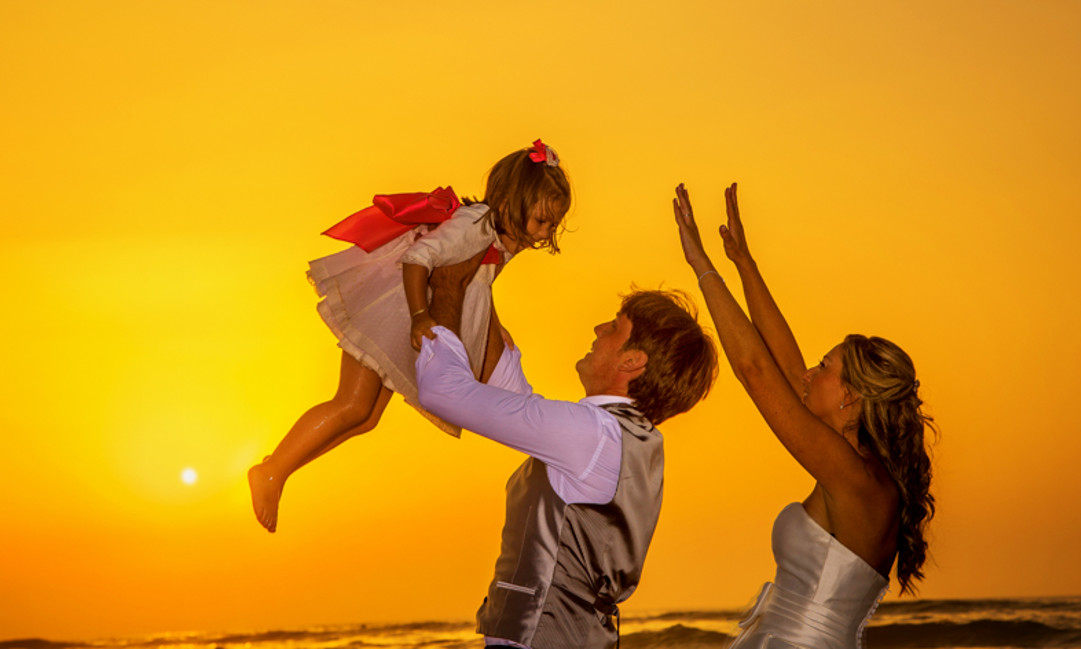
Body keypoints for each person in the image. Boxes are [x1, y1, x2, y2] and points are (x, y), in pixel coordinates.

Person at [248, 140, 571, 533]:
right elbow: (418, 258)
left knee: (366, 417)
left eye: (552, 225)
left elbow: (477, 283)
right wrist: (419, 315)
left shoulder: (502, 237)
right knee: (351, 404)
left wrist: (493, 323)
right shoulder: (476, 224)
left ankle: (279, 468)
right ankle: (272, 472)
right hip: (396, 307)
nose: (545, 233)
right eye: (541, 221)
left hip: (410, 314)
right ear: (509, 202)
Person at [670, 183, 935, 649]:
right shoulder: (854, 467)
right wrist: (744, 263)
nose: (809, 373)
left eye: (824, 366)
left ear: (850, 396)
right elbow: (790, 375)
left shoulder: (858, 480)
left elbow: (756, 371)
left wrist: (702, 266)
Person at [414, 255, 719, 649]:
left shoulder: (591, 433)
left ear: (632, 361)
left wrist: (447, 288)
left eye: (614, 327)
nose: (598, 329)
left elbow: (443, 393)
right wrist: (480, 283)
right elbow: (511, 399)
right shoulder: (625, 437)